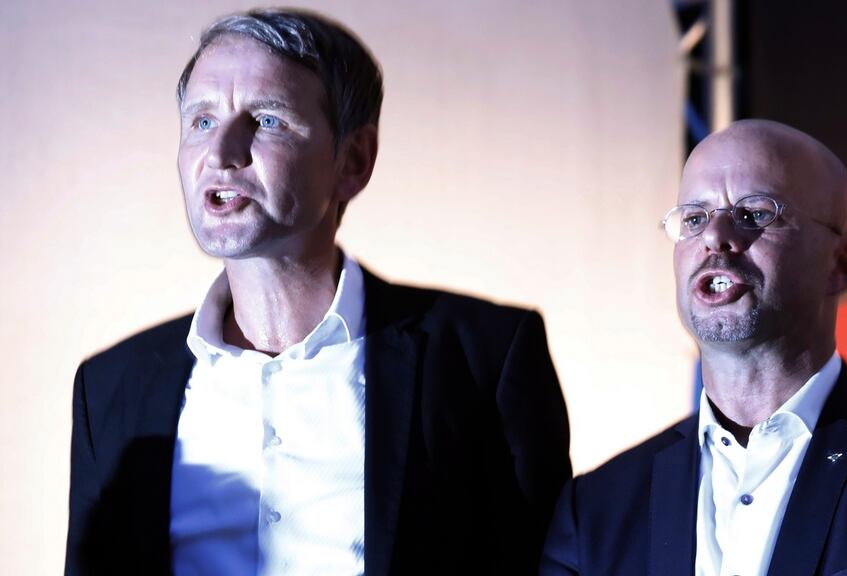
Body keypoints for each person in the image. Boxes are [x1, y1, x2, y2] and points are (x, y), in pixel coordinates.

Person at [65, 9, 570, 575]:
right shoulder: (109, 390)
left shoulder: (484, 362)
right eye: (202, 121)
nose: (223, 151)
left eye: (267, 120)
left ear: (353, 161)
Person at [540, 119, 847, 575]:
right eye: (693, 219)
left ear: (842, 262)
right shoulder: (595, 510)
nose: (715, 236)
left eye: (753, 214)